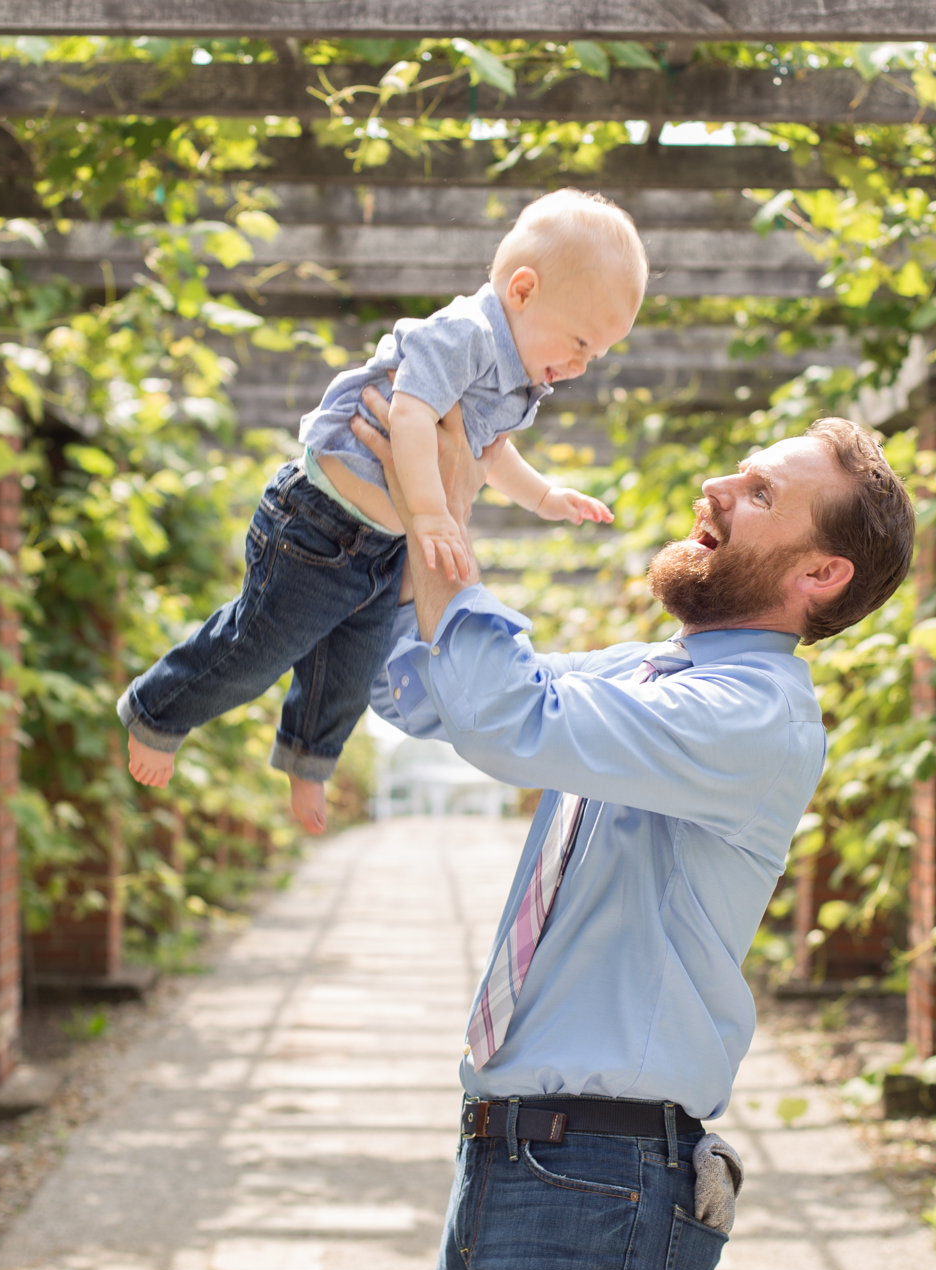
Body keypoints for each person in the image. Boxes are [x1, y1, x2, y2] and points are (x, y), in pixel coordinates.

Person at [352, 388, 915, 1270]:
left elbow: (507, 723)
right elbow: (423, 689)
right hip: (503, 1155)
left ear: (820, 571)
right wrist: (403, 505)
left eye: (756, 490)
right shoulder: (645, 671)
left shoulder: (752, 714)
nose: (715, 486)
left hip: (597, 1179)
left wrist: (442, 522)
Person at [118, 189, 647, 834]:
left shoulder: (520, 377)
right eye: (581, 341)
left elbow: (490, 450)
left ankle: (309, 758)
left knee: (350, 665)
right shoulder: (466, 334)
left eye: (595, 355)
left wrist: (542, 496)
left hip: (373, 544)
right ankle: (157, 709)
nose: (581, 365)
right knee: (260, 644)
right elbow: (411, 411)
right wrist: (428, 514)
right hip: (316, 521)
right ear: (524, 290)